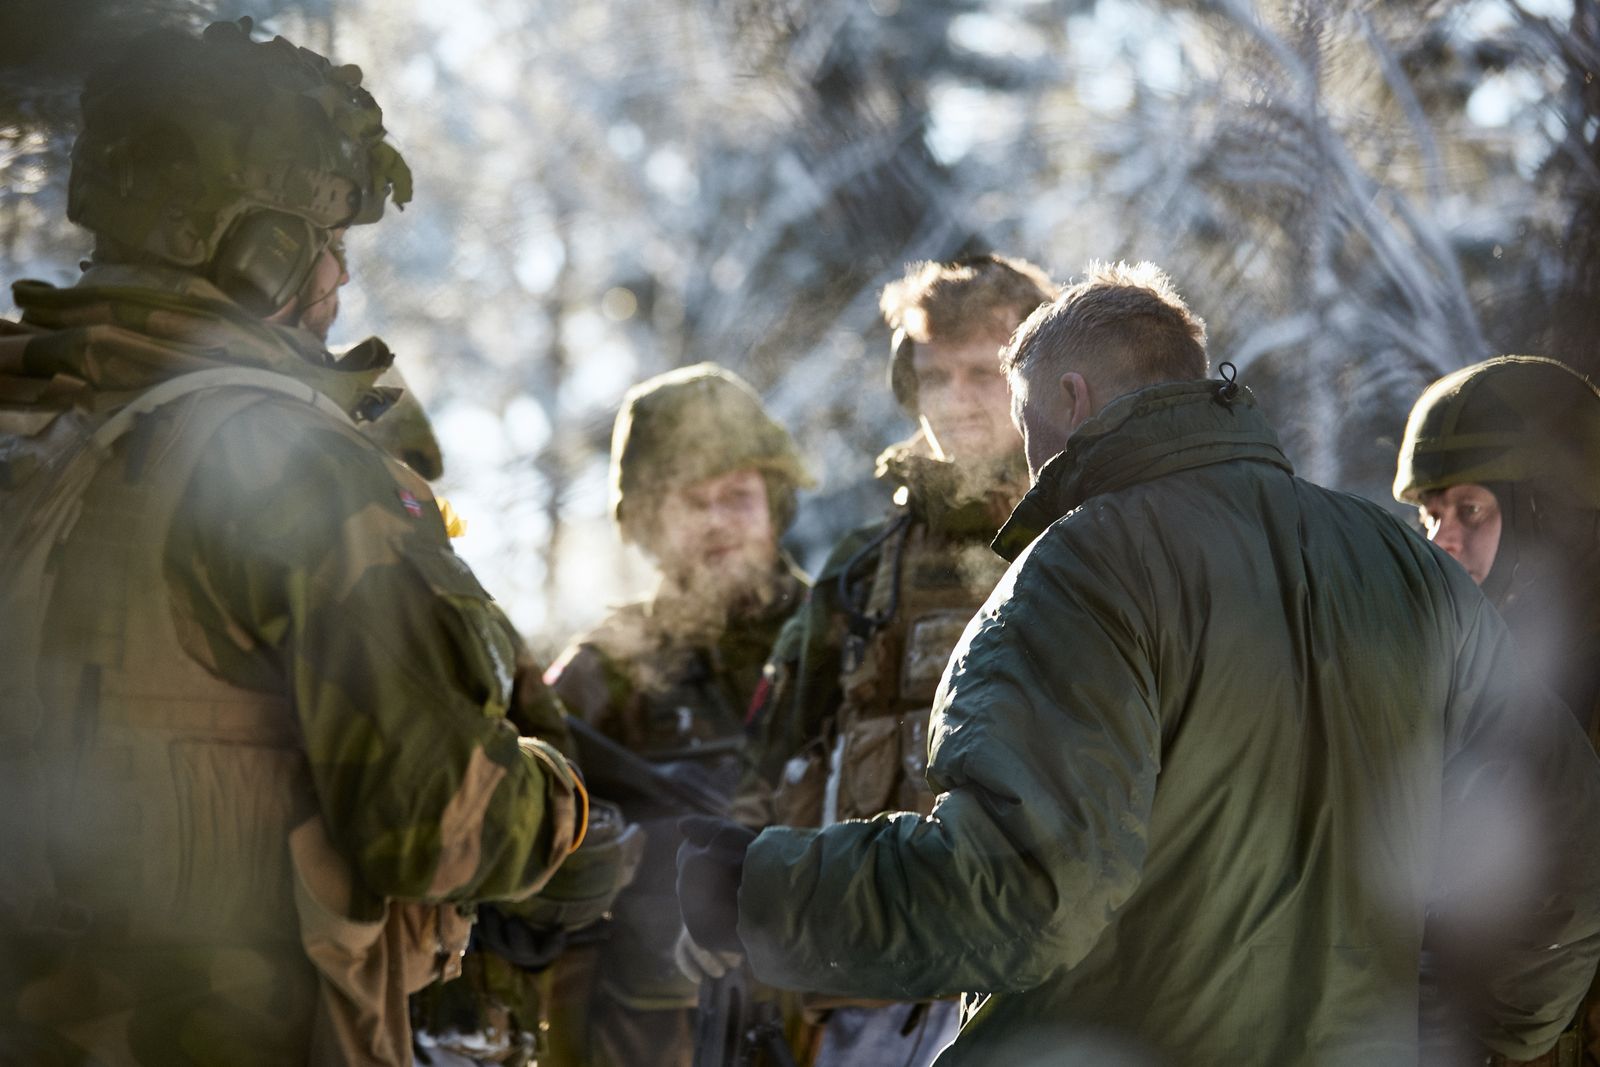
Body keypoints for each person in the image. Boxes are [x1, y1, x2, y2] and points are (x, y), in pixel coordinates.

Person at [676, 261, 1600, 1065]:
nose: (1028, 459)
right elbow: (1568, 836)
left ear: (1072, 401)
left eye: (1025, 414)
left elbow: (1025, 890)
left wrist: (761, 888)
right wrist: (1493, 1029)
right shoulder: (1407, 567)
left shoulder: (1082, 570)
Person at [0, 20, 585, 1066]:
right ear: (264, 249)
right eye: (331, 247)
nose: (339, 284)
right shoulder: (287, 462)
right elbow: (437, 820)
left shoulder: (26, 430)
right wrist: (563, 802)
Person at [717, 254, 1053, 1067]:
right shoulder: (862, 571)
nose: (958, 401)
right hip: (874, 989)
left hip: (1033, 992)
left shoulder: (1088, 543)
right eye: (935, 377)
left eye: (984, 373)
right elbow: (774, 763)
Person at [540, 362, 813, 1067]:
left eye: (738, 495)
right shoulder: (605, 674)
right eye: (693, 501)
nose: (718, 521)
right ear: (647, 520)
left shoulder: (846, 642)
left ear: (775, 501)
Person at [1395, 355, 1600, 1066]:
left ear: (1547, 508)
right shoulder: (1457, 657)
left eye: (1471, 510)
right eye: (1431, 513)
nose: (1443, 539)